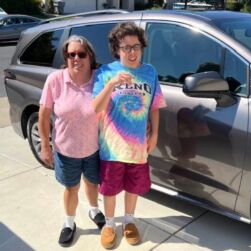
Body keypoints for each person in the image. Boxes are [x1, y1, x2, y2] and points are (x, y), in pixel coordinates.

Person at [92, 22, 166, 249]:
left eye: (136, 46)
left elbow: (154, 106)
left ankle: (129, 221)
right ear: (117, 49)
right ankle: (109, 224)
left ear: (142, 47)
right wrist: (111, 84)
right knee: (110, 188)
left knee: (133, 186)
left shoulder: (149, 72)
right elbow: (95, 108)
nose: (131, 52)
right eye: (125, 47)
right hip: (111, 146)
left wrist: (154, 135)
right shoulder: (106, 72)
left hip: (138, 146)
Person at [38, 35, 105, 247]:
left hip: (94, 147)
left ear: (90, 55)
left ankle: (94, 210)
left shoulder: (99, 78)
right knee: (71, 188)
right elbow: (43, 115)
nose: (76, 58)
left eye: (81, 53)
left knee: (92, 183)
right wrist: (46, 147)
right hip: (66, 150)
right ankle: (69, 223)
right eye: (71, 54)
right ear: (65, 57)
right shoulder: (55, 80)